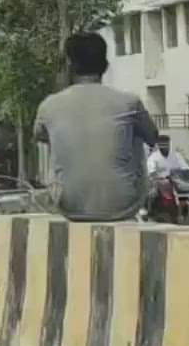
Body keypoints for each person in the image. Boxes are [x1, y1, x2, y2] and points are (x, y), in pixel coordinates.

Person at [34, 33, 158, 221]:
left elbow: (39, 135)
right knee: (135, 132)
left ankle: (67, 187)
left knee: (52, 136)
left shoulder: (48, 105)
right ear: (106, 66)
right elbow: (152, 136)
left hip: (68, 205)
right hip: (123, 205)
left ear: (69, 66)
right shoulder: (129, 102)